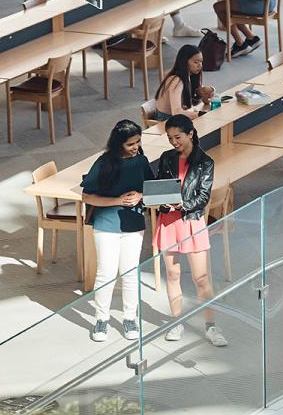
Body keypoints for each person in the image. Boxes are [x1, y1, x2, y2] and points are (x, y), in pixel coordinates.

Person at [150, 114, 227, 347]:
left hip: (191, 221)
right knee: (172, 276)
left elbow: (203, 197)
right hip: (168, 222)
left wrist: (183, 204)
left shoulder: (205, 163)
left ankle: (210, 326)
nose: (174, 142)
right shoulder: (166, 158)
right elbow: (160, 188)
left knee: (201, 279)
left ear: (190, 134)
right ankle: (176, 321)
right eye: (170, 138)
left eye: (178, 137)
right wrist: (164, 203)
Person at [80, 120, 155, 342]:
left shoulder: (141, 161)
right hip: (106, 225)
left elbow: (152, 189)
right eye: (131, 143)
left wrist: (140, 196)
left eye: (138, 141)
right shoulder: (103, 163)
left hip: (133, 224)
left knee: (130, 273)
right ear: (119, 143)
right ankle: (101, 319)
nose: (136, 146)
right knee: (106, 273)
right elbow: (87, 196)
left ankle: (130, 317)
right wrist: (117, 200)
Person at [154, 45, 216, 121]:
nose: (200, 65)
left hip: (178, 114)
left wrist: (209, 92)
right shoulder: (177, 81)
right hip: (166, 119)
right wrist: (198, 114)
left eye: (201, 62)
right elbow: (176, 112)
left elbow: (202, 101)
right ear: (184, 62)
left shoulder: (191, 75)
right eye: (196, 62)